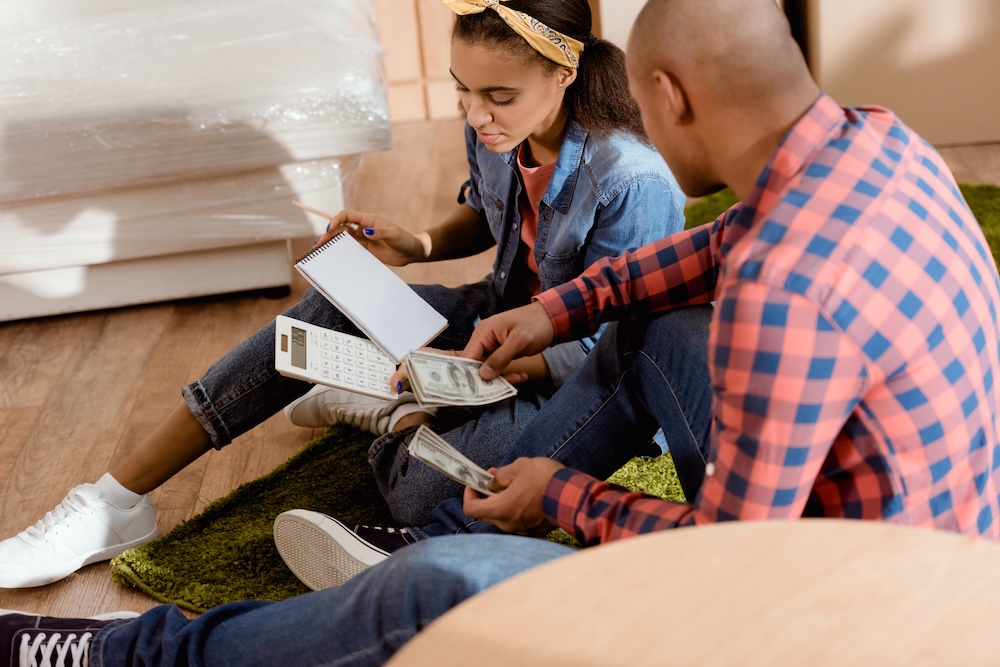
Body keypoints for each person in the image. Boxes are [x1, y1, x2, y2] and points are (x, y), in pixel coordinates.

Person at [5, 0, 1000, 664]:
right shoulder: (878, 140)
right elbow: (704, 249)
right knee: (652, 327)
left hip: (851, 623)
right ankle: (143, 497)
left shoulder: (778, 292)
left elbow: (734, 554)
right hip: (943, 565)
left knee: (432, 585)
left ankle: (120, 654)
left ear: (664, 96)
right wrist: (554, 306)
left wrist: (556, 494)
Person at [0, 0, 686, 590]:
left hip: (579, 378)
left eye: (498, 97)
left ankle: (391, 407)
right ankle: (114, 501)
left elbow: (615, 352)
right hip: (494, 323)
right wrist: (416, 242)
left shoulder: (631, 181)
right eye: (462, 91)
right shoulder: (499, 127)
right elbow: (487, 213)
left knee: (423, 493)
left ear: (564, 73)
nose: (476, 113)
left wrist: (469, 369)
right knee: (330, 310)